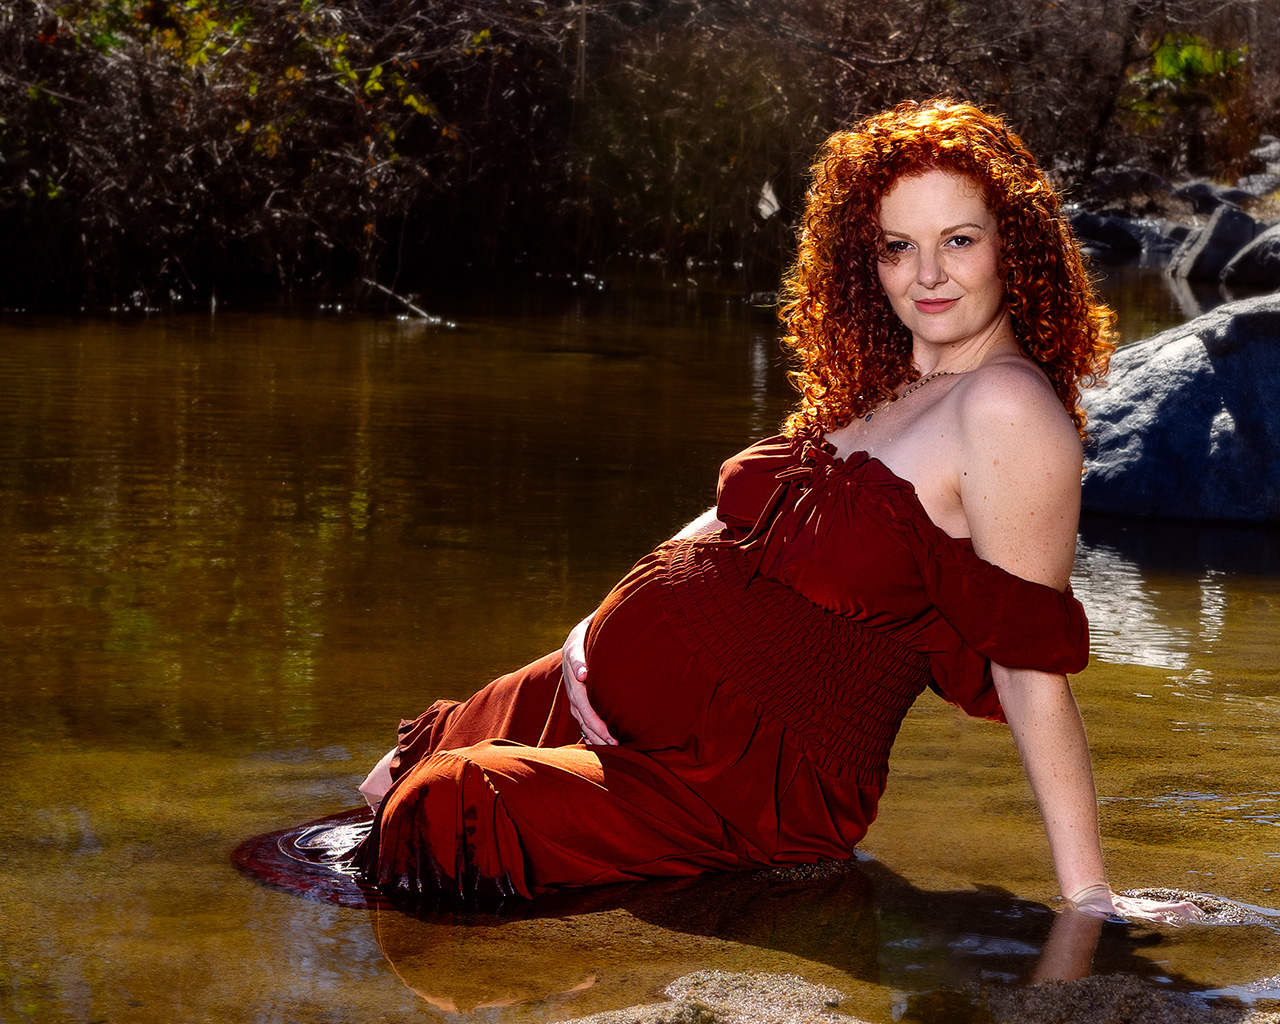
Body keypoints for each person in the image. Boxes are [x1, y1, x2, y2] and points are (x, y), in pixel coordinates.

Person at [350, 99, 1197, 926]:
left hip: (743, 780)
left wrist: (1088, 898)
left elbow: (1027, 661)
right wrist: (580, 651)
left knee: (447, 810)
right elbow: (732, 530)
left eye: (959, 241)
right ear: (866, 260)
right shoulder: (885, 382)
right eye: (898, 247)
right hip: (607, 699)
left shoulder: (1009, 409)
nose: (928, 274)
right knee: (407, 764)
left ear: (1015, 247)